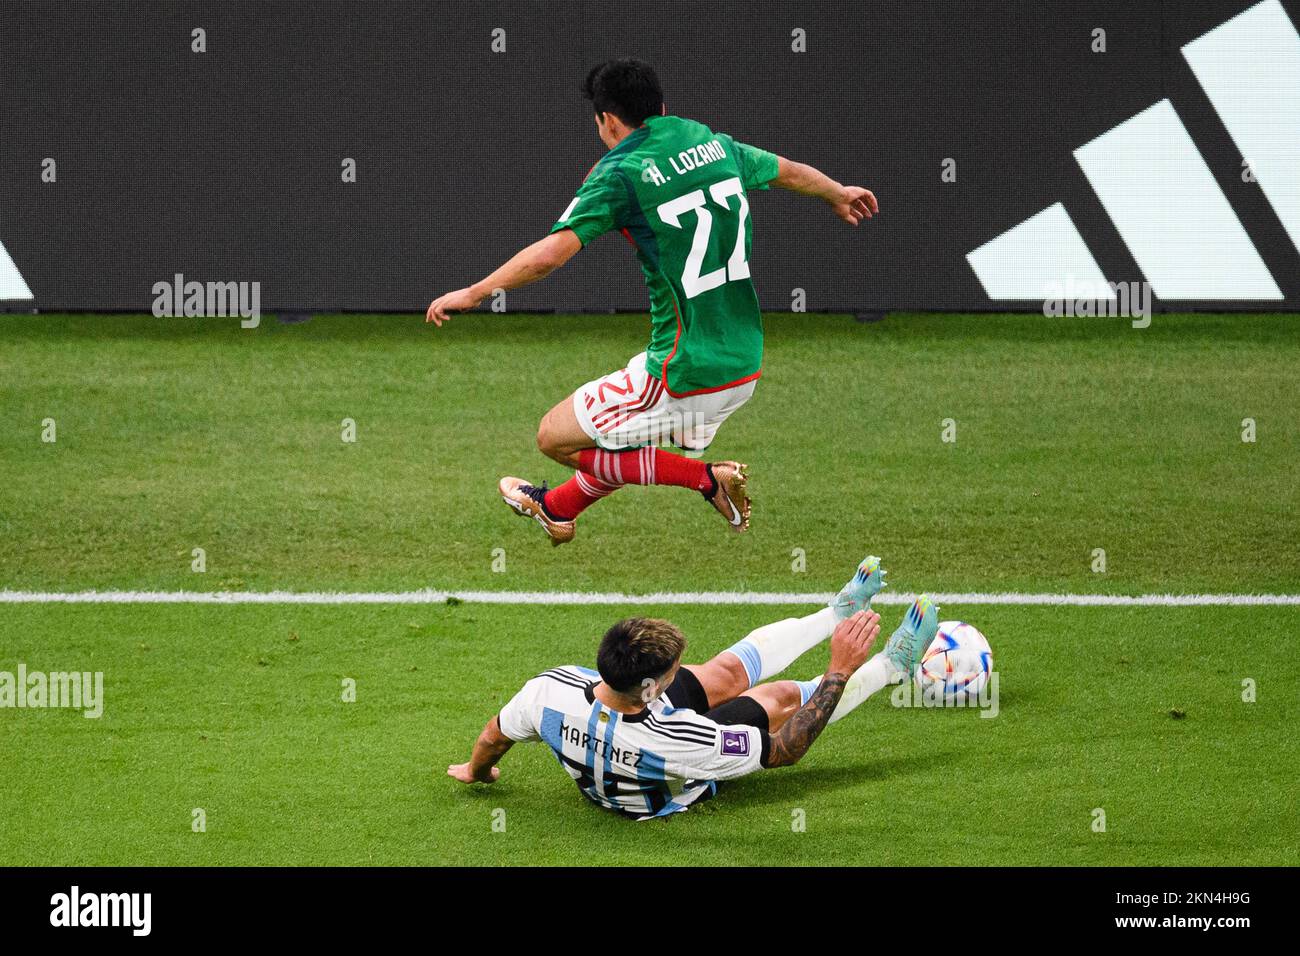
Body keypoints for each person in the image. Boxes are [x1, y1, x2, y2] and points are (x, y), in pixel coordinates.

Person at [426, 58, 878, 545]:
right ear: (660, 106)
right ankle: (556, 508)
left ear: (608, 121)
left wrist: (473, 292)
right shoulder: (710, 142)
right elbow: (787, 172)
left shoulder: (619, 173)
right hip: (743, 364)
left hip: (680, 371)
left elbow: (551, 255)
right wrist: (837, 192)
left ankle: (707, 480)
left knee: (554, 438)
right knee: (620, 442)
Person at [447, 557, 939, 819]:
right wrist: (839, 669)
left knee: (722, 673)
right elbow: (786, 750)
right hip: (667, 776)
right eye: (673, 669)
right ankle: (892, 665)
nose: (681, 669)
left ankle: (837, 611)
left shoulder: (550, 689)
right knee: (783, 699)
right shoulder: (680, 738)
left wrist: (475, 769)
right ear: (652, 689)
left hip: (624, 729)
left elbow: (495, 735)